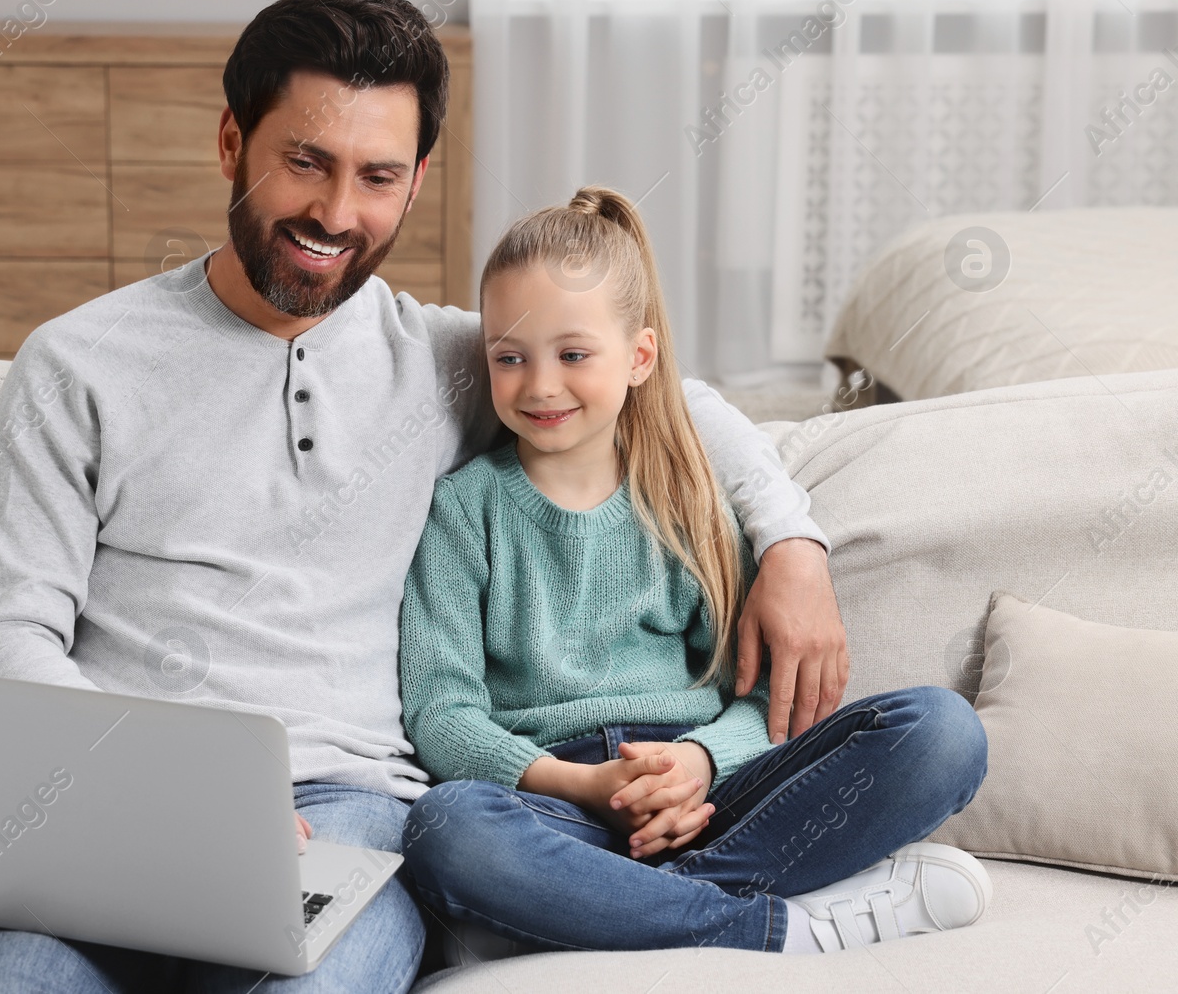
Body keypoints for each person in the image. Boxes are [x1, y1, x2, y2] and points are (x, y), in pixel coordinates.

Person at [0, 0, 850, 993]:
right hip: (109, 799)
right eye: (305, 163)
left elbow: (668, 395)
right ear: (232, 142)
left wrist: (794, 544)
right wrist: (170, 783)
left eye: (375, 176)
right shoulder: (77, 362)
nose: (334, 213)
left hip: (348, 806)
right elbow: (4, 633)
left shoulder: (454, 361)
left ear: (415, 183)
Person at [397, 186, 991, 957]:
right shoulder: (462, 510)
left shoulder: (687, 498)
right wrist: (583, 786)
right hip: (559, 804)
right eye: (510, 357)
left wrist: (700, 761)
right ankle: (772, 925)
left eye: (574, 354)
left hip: (708, 788)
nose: (540, 384)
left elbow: (762, 697)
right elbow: (442, 714)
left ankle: (619, 908)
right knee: (445, 829)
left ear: (640, 357)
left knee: (944, 732)